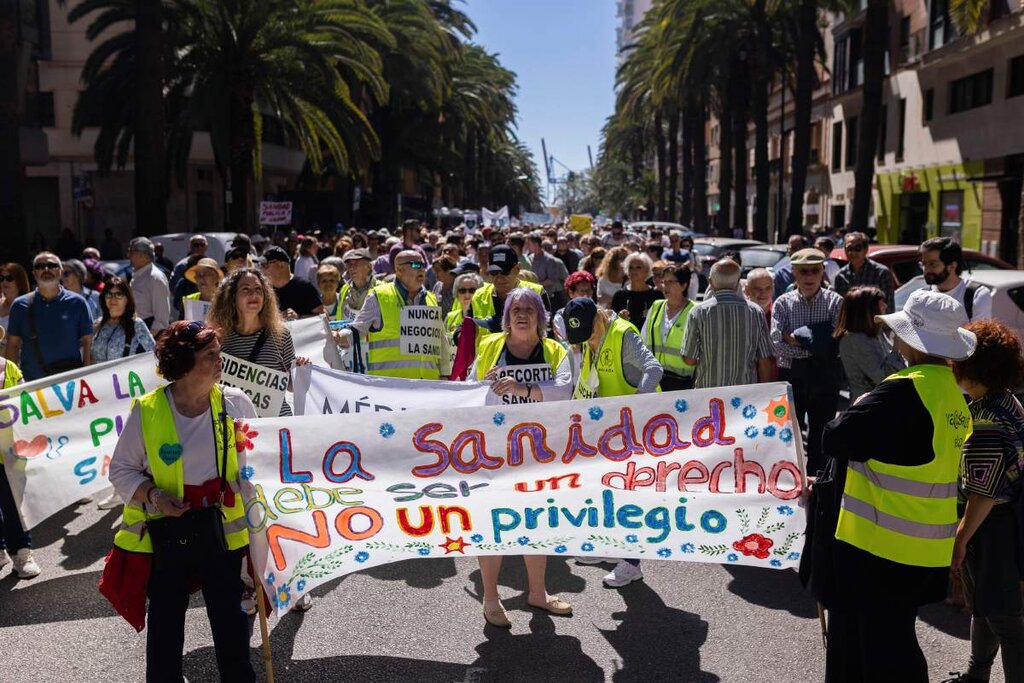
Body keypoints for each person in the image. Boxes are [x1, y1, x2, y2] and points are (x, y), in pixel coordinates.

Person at [807, 288, 976, 683]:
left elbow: (835, 437)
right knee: (893, 641)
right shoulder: (953, 394)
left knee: (875, 651)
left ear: (908, 339)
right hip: (924, 546)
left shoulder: (904, 389)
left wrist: (862, 401)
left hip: (876, 546)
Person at [105, 321, 257, 682]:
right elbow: (121, 471)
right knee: (165, 624)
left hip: (223, 534)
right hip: (167, 533)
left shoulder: (237, 404)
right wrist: (154, 495)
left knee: (231, 624)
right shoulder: (149, 409)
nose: (221, 361)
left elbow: (259, 468)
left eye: (219, 352)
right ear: (184, 363)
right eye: (210, 355)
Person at [467, 289, 573, 627]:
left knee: (536, 521)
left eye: (529, 309)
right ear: (507, 317)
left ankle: (537, 593)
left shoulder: (556, 350)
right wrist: (483, 385)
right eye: (515, 309)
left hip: (540, 452)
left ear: (540, 316)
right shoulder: (489, 347)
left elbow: (566, 391)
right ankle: (490, 597)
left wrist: (523, 390)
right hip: (495, 452)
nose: (522, 314)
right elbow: (468, 392)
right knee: (493, 524)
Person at [563, 297, 663, 588]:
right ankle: (611, 548)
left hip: (636, 428)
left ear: (599, 318)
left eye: (589, 332)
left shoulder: (622, 333)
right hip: (609, 432)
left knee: (631, 497)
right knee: (609, 492)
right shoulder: (590, 341)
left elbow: (653, 369)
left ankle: (631, 563)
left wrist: (637, 407)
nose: (587, 340)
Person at [946, 320, 1024, 683]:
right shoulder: (1005, 400)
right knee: (986, 608)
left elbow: (984, 493)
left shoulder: (985, 420)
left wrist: (960, 540)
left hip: (994, 529)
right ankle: (976, 674)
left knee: (1007, 621)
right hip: (1006, 521)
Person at [770, 248, 843, 473]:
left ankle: (819, 485)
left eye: (814, 271)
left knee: (821, 435)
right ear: (794, 273)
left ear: (823, 272)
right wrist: (816, 342)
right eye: (803, 271)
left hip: (825, 376)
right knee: (788, 433)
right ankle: (789, 481)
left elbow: (836, 344)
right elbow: (776, 344)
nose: (809, 276)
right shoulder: (782, 303)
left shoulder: (835, 302)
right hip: (792, 374)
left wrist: (798, 340)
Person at [207, 268, 309, 417]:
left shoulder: (280, 334)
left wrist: (300, 371)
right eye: (246, 289)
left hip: (276, 424)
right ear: (232, 297)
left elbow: (291, 386)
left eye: (258, 289)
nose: (253, 295)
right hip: (237, 426)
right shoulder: (219, 336)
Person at [336, 250, 445, 379]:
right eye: (416, 265)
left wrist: (445, 374)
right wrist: (338, 336)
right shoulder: (379, 296)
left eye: (424, 265)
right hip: (390, 387)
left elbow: (441, 341)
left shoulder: (431, 299)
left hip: (428, 385)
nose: (422, 269)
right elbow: (357, 329)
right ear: (398, 270)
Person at [683, 259, 774, 389]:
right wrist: (766, 392)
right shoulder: (755, 312)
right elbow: (764, 360)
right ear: (738, 283)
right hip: (744, 395)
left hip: (709, 393)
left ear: (711, 282)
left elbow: (689, 359)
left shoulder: (698, 312)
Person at [6, 252, 93, 381]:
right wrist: (11, 382)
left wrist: (88, 379)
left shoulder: (78, 303)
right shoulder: (19, 306)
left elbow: (88, 343)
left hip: (70, 384)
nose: (46, 269)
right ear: (34, 273)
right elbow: (13, 346)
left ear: (61, 271)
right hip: (32, 386)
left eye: (52, 265)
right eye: (40, 266)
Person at [0, 331, 40, 579]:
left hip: (10, 453)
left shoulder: (11, 368)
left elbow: (27, 405)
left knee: (14, 505)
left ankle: (22, 553)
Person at [835, 286, 904, 402]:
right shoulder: (856, 340)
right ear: (867, 310)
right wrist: (897, 345)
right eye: (881, 304)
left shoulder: (875, 332)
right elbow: (883, 377)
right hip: (869, 406)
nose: (885, 307)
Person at [641, 265, 695, 391]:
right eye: (664, 282)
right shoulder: (656, 306)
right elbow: (643, 340)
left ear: (684, 285)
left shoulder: (695, 311)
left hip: (682, 383)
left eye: (671, 282)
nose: (665, 286)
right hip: (653, 379)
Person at [920, 236, 992, 321]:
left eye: (933, 264)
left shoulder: (976, 295)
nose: (926, 270)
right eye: (924, 264)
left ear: (952, 266)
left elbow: (980, 333)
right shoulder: (923, 295)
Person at [92, 277, 157, 363]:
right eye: (109, 294)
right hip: (98, 375)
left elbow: (154, 354)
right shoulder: (98, 324)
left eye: (118, 294)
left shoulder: (136, 324)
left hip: (123, 376)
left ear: (127, 299)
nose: (113, 299)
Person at [833, 232, 895, 313]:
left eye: (857, 248)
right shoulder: (840, 276)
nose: (853, 253)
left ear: (865, 250)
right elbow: (839, 307)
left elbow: (889, 306)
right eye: (849, 248)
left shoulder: (881, 273)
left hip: (874, 323)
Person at [261, 245, 323, 320]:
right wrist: (279, 317)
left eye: (265, 265)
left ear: (281, 265)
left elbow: (322, 316)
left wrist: (299, 317)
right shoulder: (263, 290)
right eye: (261, 265)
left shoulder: (304, 287)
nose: (262, 269)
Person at [128, 237, 172, 334]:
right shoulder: (137, 275)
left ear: (143, 255)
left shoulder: (155, 278)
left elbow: (161, 320)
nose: (128, 255)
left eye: (131, 252)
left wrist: (147, 340)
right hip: (136, 331)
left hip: (148, 335)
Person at [611, 253, 662, 333]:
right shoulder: (620, 295)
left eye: (638, 267)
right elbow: (611, 323)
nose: (634, 271)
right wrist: (619, 319)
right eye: (631, 267)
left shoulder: (657, 295)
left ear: (647, 271)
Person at [525, 233, 568, 310]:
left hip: (548, 298)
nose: (527, 247)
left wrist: (535, 285)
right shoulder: (529, 259)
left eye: (529, 244)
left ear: (536, 244)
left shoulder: (549, 260)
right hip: (532, 298)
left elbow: (551, 280)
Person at [553, 271, 596, 342]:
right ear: (571, 293)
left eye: (588, 290)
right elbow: (562, 342)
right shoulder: (561, 316)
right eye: (581, 291)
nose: (586, 295)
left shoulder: (599, 312)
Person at [337, 248, 378, 321]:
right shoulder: (344, 289)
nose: (352, 268)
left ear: (369, 267)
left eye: (356, 264)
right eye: (349, 264)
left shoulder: (379, 288)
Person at [0, 263, 30, 354]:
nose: (4, 282)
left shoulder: (28, 308)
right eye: (1, 278)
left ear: (20, 281)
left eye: (9, 278)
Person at [180, 258, 223, 322]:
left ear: (216, 278)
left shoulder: (225, 301)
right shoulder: (188, 300)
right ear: (195, 279)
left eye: (207, 274)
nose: (202, 277)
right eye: (199, 275)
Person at [773, 234, 808, 300]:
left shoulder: (814, 270)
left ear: (805, 248)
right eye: (791, 248)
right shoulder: (781, 273)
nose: (794, 251)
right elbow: (776, 299)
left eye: (797, 248)